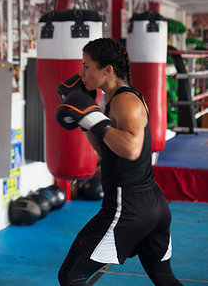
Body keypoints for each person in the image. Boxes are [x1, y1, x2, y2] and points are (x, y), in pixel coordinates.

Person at [55, 38, 183, 286]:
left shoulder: (126, 100)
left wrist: (93, 118)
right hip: (151, 204)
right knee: (164, 279)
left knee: (71, 277)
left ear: (107, 70)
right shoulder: (112, 100)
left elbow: (131, 149)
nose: (81, 73)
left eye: (86, 66)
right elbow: (107, 149)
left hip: (129, 206)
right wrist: (85, 120)